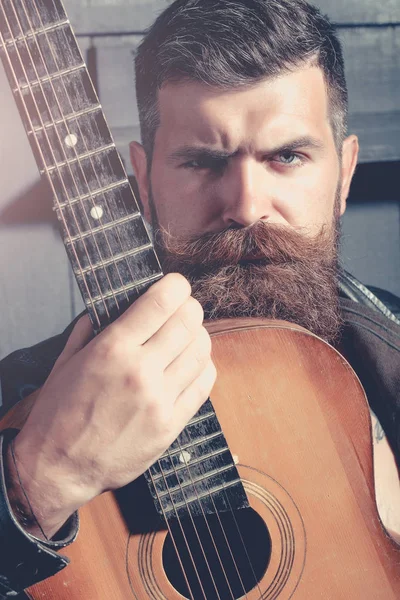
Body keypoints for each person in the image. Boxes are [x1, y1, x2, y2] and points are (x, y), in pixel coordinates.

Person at [1, 0, 400, 596]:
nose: (244, 204)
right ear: (144, 181)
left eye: (287, 156)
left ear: (343, 176)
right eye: (201, 162)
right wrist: (41, 478)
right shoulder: (18, 406)